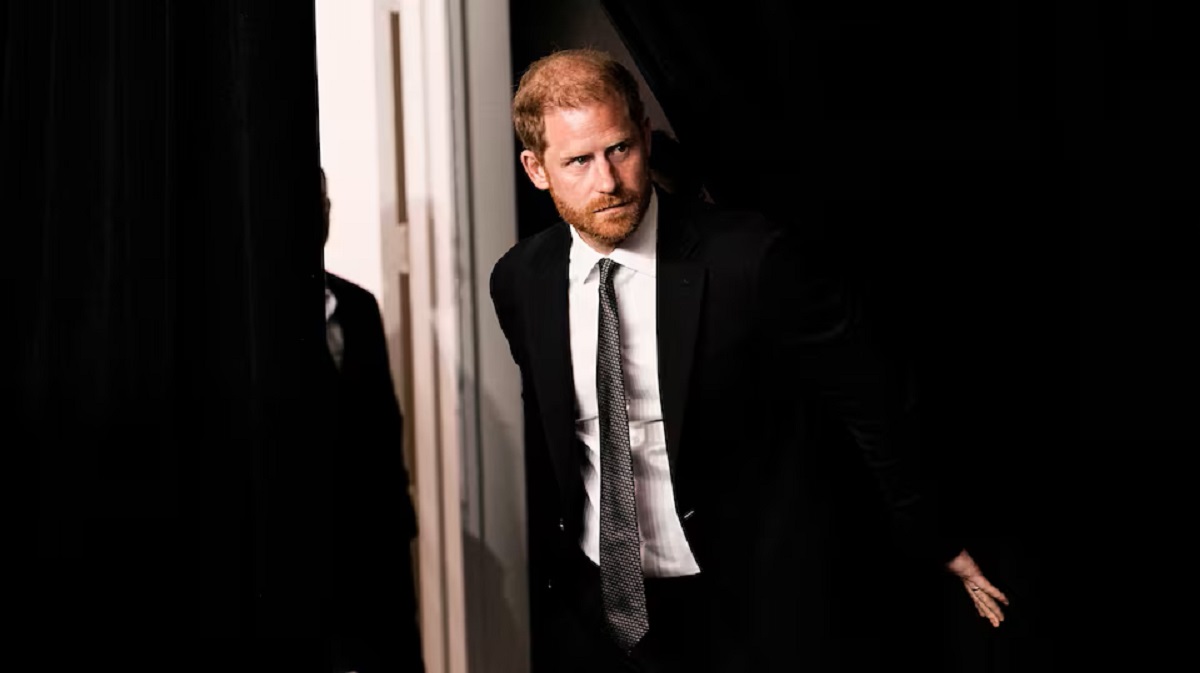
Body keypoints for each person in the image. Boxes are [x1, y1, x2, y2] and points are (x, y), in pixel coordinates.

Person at [490, 49, 1008, 672]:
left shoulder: (751, 258)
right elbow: (555, 433)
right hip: (604, 605)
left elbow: (871, 398)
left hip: (752, 601)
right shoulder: (520, 280)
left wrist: (935, 536)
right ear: (536, 169)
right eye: (578, 161)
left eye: (619, 149)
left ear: (645, 138)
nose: (608, 182)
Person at [319, 167, 424, 673]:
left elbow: (385, 419)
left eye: (322, 202)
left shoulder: (359, 306)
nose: (318, 215)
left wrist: (399, 520)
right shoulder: (251, 319)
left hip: (376, 547)